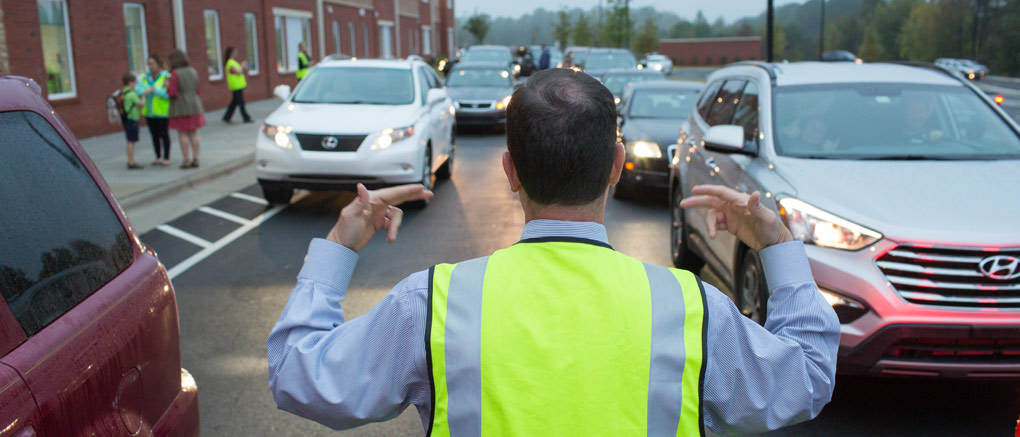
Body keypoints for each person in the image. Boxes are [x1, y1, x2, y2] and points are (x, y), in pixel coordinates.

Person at [267, 69, 839, 434]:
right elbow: (808, 377)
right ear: (617, 167)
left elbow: (297, 374)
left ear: (509, 172)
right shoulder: (691, 309)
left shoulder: (432, 304)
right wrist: (776, 245)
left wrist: (340, 245)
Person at [167, 50, 205, 169]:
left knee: (183, 133)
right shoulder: (193, 71)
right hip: (195, 105)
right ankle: (196, 158)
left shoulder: (175, 73)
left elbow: (172, 92)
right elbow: (198, 90)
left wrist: (166, 86)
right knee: (194, 132)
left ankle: (186, 160)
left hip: (181, 106)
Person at [137, 55, 171, 166]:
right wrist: (146, 91)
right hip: (149, 112)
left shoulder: (165, 76)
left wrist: (154, 90)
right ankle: (158, 156)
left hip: (162, 111)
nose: (150, 66)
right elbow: (139, 90)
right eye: (149, 64)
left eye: (152, 63)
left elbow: (168, 93)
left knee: (164, 134)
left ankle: (166, 157)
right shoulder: (145, 77)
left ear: (158, 64)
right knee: (154, 135)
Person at [222, 46, 252, 124]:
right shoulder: (230, 63)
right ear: (230, 53)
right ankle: (246, 117)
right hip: (236, 85)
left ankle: (226, 117)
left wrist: (243, 67)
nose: (236, 53)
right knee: (241, 103)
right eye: (234, 52)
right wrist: (242, 65)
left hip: (238, 85)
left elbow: (239, 71)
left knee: (234, 102)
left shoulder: (233, 62)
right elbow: (238, 72)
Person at [120, 72, 144, 170]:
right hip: (132, 119)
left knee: (130, 140)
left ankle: (131, 160)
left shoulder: (123, 93)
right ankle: (131, 161)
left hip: (126, 119)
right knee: (131, 141)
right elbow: (141, 104)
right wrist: (144, 96)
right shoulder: (131, 94)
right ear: (130, 82)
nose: (135, 85)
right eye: (135, 83)